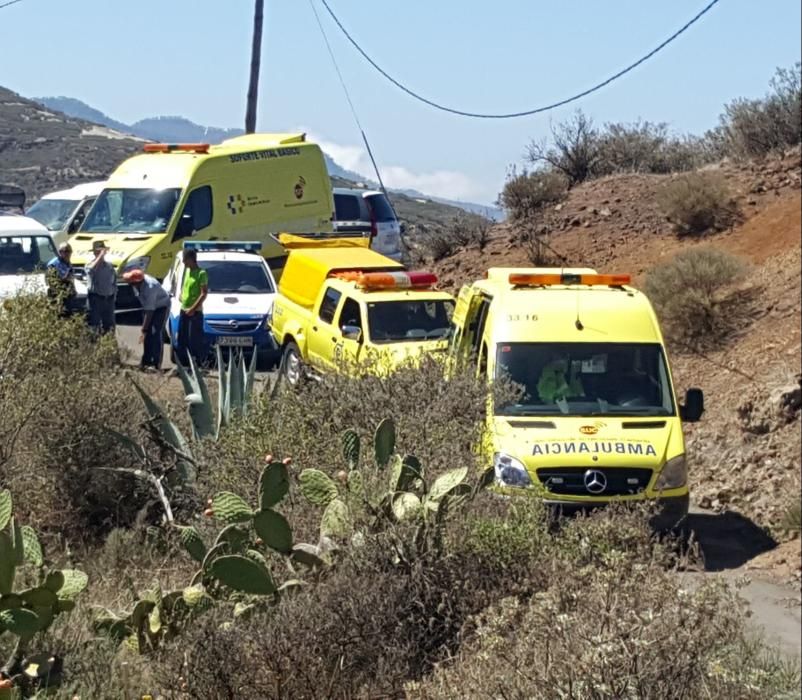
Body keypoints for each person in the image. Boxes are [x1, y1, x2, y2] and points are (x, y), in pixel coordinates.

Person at [122, 269, 170, 371]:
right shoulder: (137, 285)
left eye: (131, 283)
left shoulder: (150, 287)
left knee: (155, 332)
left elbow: (150, 312)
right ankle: (146, 361)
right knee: (147, 335)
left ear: (137, 282)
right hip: (148, 307)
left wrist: (144, 329)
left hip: (161, 307)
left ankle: (156, 363)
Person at [176, 248, 208, 367]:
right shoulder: (187, 271)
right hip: (184, 309)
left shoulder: (201, 273)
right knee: (182, 339)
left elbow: (203, 293)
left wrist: (193, 309)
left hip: (195, 312)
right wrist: (181, 296)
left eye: (185, 260)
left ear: (190, 259)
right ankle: (183, 364)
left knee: (193, 340)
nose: (183, 262)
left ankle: (196, 364)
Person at [85, 240, 117, 334]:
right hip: (96, 299)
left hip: (109, 299)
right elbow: (91, 270)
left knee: (109, 326)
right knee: (94, 325)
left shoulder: (109, 266)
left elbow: (114, 281)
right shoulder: (89, 265)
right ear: (95, 253)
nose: (101, 253)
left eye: (102, 251)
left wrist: (114, 295)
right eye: (98, 251)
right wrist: (99, 257)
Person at [46, 241, 79, 316]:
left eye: (70, 251)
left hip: (68, 296)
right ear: (60, 252)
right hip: (58, 296)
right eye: (66, 251)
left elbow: (71, 278)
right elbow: (52, 282)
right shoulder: (53, 264)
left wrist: (73, 290)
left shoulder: (67, 262)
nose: (68, 254)